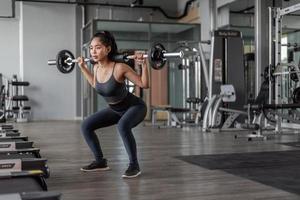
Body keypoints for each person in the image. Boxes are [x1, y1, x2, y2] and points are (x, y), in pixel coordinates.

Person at [77, 31, 149, 178]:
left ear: (108, 49)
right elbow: (96, 84)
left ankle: (134, 166)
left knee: (123, 126)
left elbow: (143, 84)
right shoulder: (96, 67)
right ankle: (100, 161)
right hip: (115, 109)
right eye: (91, 48)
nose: (93, 51)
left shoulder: (120, 67)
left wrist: (144, 65)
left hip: (135, 107)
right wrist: (83, 68)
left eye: (97, 47)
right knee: (86, 125)